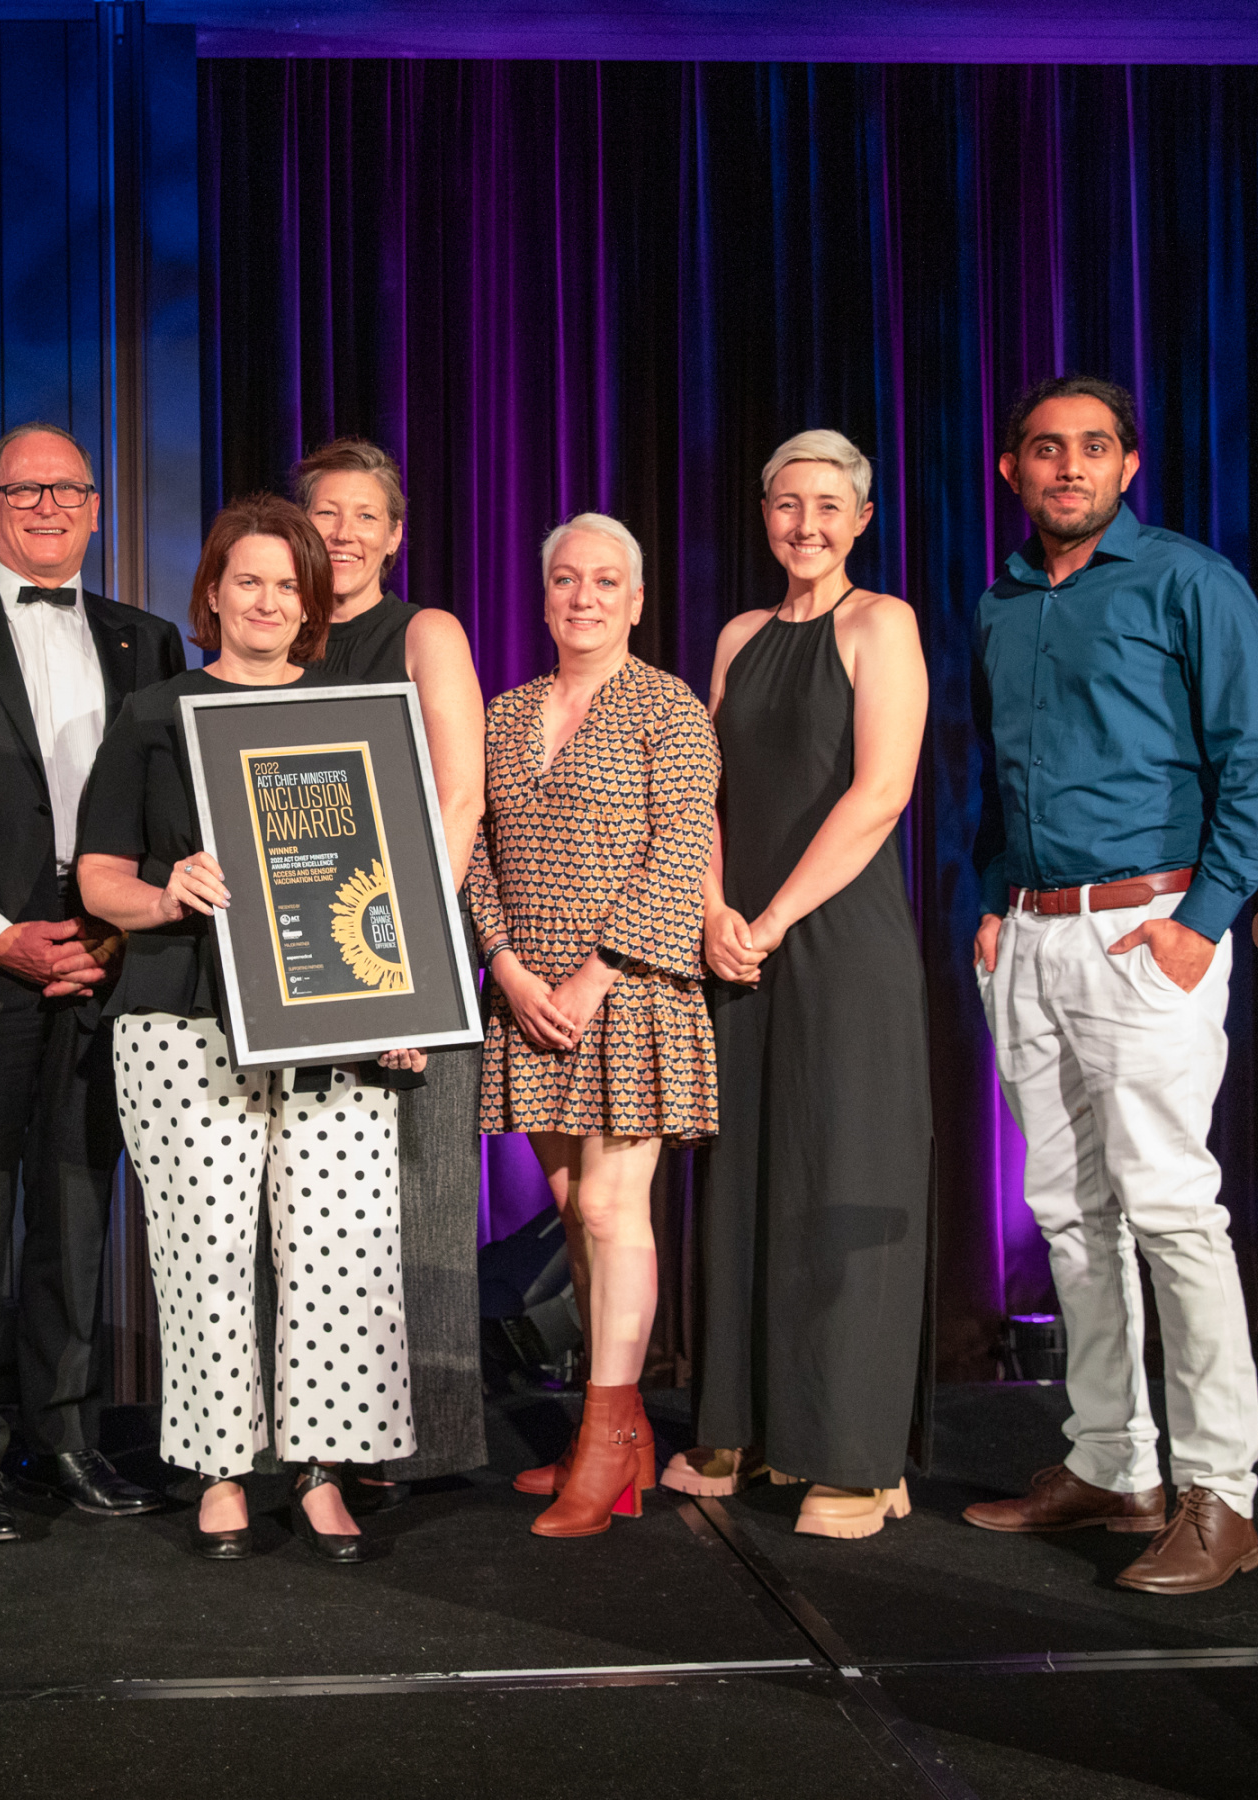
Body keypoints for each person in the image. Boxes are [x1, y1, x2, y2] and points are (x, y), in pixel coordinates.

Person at [962, 375, 1258, 1595]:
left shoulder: (1188, 582)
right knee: (1067, 1210)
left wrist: (1202, 923)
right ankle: (1112, 1461)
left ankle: (1223, 1495)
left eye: (1092, 449)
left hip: (1145, 930)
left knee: (1170, 1212)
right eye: (1045, 449)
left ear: (1130, 466)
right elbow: (995, 771)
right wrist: (996, 900)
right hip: (1038, 941)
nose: (1068, 468)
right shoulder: (1003, 600)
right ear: (1012, 469)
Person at [75, 495, 426, 1563]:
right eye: (247, 582)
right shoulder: (153, 712)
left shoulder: (362, 712)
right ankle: (223, 1472)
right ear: (212, 594)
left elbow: (394, 884)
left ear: (311, 603)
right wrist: (166, 890)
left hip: (334, 1027)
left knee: (343, 1249)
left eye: (288, 585)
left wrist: (406, 1009)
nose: (267, 601)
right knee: (208, 1250)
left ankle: (323, 1471)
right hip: (183, 1027)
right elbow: (97, 879)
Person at [0, 423, 185, 1543]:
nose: (49, 506)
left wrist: (118, 933)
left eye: (70, 489)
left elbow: (170, 811)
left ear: (98, 511)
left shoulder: (150, 641)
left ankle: (65, 1433)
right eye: (25, 488)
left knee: (77, 1204)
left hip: (107, 967)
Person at [673, 431, 930, 1538]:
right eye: (788, 505)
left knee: (842, 1175)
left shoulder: (884, 624)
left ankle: (857, 1460)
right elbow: (704, 795)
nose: (807, 525)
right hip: (739, 943)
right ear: (764, 513)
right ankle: (743, 1429)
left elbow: (880, 794)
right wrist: (714, 910)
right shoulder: (736, 635)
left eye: (829, 506)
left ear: (861, 519)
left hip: (840, 940)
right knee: (747, 1184)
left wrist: (772, 917)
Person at [469, 511, 719, 1540]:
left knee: (617, 1213)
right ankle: (608, 1443)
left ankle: (611, 1435)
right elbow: (471, 846)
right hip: (528, 994)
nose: (584, 597)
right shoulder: (502, 711)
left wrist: (595, 973)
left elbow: (681, 849)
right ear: (543, 596)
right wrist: (507, 964)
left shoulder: (669, 707)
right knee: (573, 1215)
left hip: (630, 994)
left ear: (638, 599)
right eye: (567, 579)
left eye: (606, 582)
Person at [293, 439, 489, 1507]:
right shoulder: (274, 629)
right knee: (316, 1202)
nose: (345, 533)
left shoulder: (425, 632)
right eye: (327, 511)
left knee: (421, 1193)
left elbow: (461, 801)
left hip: (404, 946)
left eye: (367, 515)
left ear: (396, 534)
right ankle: (321, 1429)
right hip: (297, 960)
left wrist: (406, 964)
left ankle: (421, 1437)